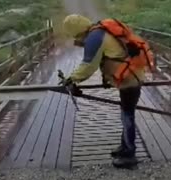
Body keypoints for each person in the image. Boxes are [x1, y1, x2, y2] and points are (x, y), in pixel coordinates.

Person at [62, 14, 154, 168]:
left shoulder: (94, 37)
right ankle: (124, 147)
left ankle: (129, 155)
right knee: (125, 114)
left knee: (127, 116)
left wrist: (71, 79)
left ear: (77, 31)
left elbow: (88, 65)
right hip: (132, 76)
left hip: (129, 80)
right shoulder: (100, 31)